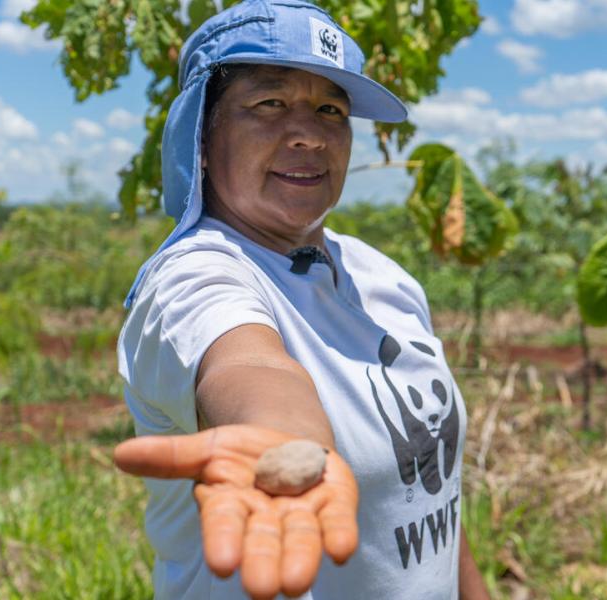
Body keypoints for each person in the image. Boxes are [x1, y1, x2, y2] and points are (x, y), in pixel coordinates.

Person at [114, 1, 490, 598]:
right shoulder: (192, 279)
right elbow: (250, 364)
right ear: (201, 136)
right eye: (269, 104)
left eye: (330, 110)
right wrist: (284, 441)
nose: (308, 134)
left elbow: (425, 488)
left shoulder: (382, 278)